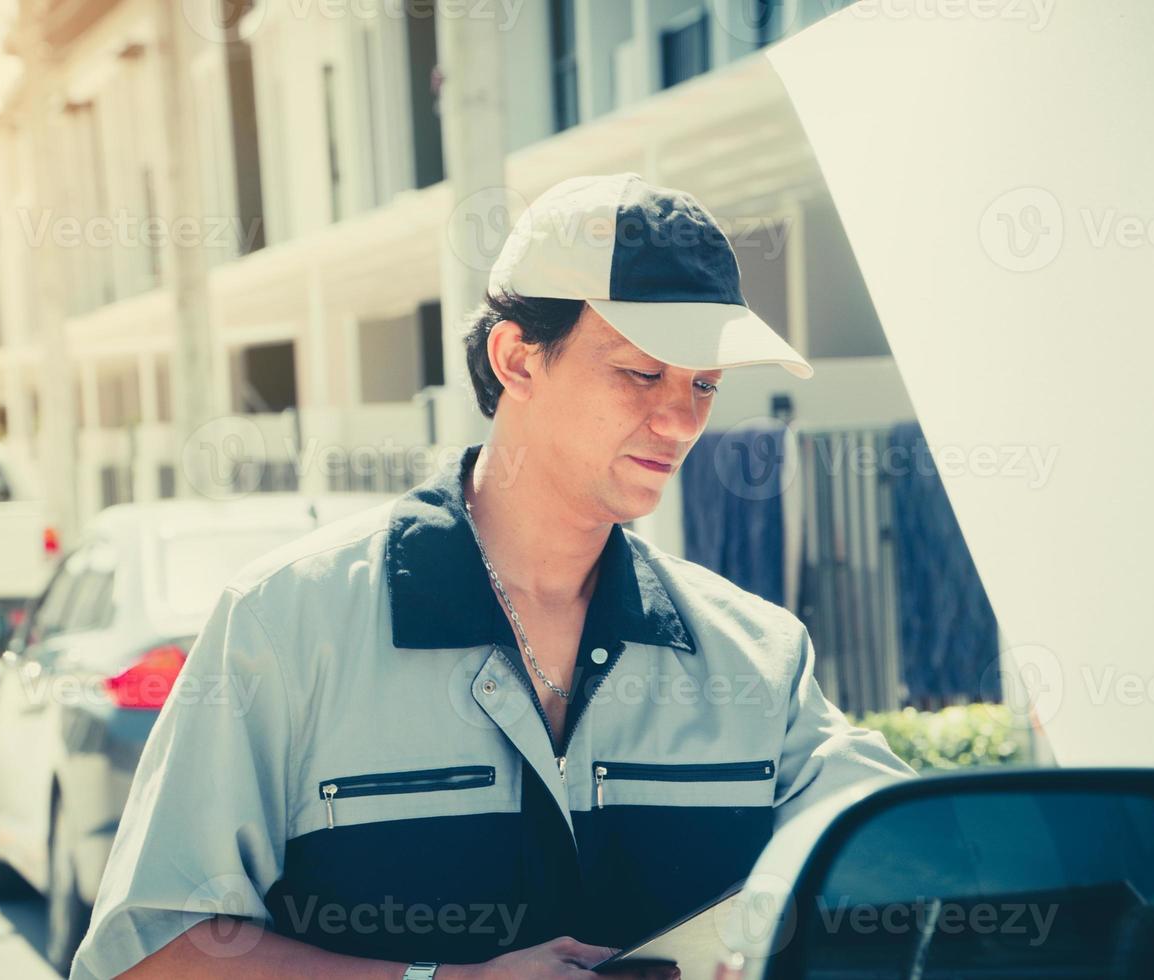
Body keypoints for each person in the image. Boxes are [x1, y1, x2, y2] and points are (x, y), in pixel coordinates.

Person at [69, 173, 915, 980]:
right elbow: (152, 952)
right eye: (642, 371)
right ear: (517, 358)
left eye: (704, 383)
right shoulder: (285, 625)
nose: (681, 419)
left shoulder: (760, 661)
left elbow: (913, 864)